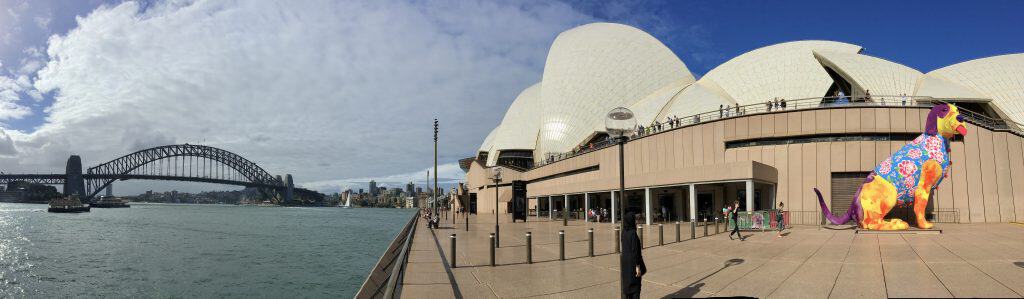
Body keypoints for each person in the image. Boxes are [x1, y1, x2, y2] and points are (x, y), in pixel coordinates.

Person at [620, 211, 647, 298]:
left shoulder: (624, 232)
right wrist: (638, 266)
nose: (635, 221)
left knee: (627, 287)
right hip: (633, 264)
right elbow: (635, 251)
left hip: (625, 264)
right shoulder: (633, 234)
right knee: (635, 287)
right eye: (634, 219)